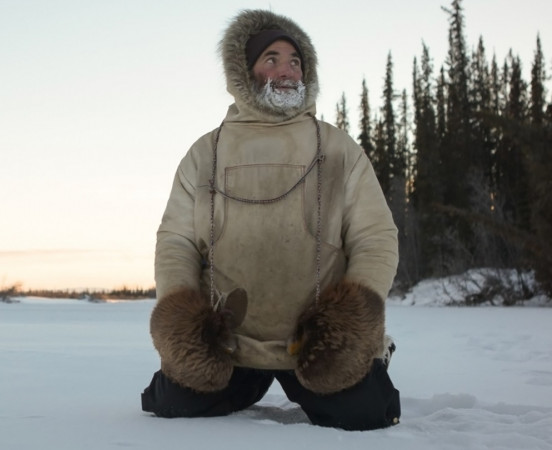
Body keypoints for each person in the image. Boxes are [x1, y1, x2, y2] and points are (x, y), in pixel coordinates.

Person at [141, 9, 401, 431]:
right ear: (245, 72)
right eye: (272, 59)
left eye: (295, 61)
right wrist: (188, 330)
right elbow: (176, 242)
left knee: (370, 414)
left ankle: (375, 354)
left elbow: (376, 237)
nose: (287, 70)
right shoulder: (204, 153)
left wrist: (351, 324)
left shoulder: (337, 149)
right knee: (169, 406)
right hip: (230, 344)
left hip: (315, 345)